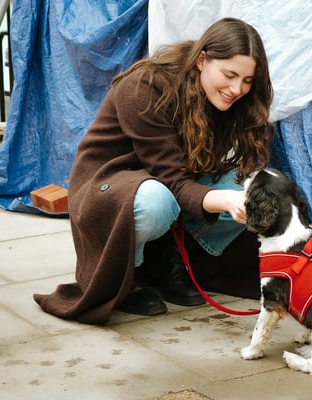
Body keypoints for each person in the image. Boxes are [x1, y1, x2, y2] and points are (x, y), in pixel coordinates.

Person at [33, 17, 274, 324]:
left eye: (248, 80)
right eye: (229, 75)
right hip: (109, 188)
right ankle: (130, 272)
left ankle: (169, 260)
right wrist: (225, 201)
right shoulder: (145, 86)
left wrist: (236, 195)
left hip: (165, 184)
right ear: (202, 60)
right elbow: (173, 182)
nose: (237, 89)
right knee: (156, 201)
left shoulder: (229, 98)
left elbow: (183, 179)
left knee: (251, 190)